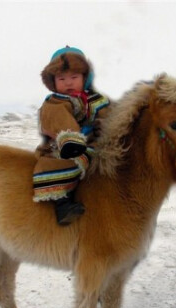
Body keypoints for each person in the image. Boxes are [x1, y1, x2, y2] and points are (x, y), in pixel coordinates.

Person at [33, 46, 110, 226]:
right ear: (53, 82)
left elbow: (110, 116)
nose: (68, 83)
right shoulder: (55, 101)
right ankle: (62, 204)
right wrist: (71, 139)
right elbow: (49, 122)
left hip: (91, 147)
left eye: (74, 77)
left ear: (85, 77)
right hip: (60, 150)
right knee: (61, 164)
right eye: (62, 78)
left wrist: (106, 127)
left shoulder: (95, 101)